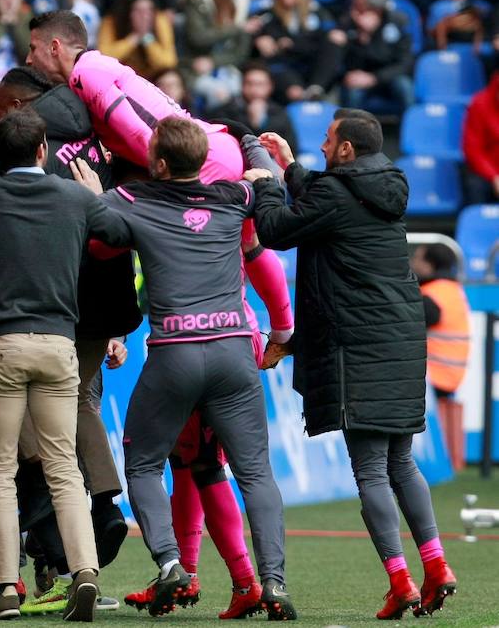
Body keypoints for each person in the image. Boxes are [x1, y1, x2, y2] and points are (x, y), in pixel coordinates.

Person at [72, 116, 294, 620]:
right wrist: (250, 144)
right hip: (236, 349)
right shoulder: (234, 197)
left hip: (175, 350)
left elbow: (96, 232)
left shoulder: (135, 203)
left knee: (144, 462)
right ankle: (273, 583)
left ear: (160, 163)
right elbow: (267, 182)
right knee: (255, 472)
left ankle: (171, 564)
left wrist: (90, 192)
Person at [245, 109, 458, 620]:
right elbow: (328, 200)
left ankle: (402, 581)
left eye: (326, 140)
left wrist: (267, 183)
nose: (320, 146)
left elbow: (275, 230)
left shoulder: (337, 194)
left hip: (358, 347)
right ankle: (437, 567)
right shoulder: (384, 184)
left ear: (345, 150)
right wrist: (292, 167)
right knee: (401, 463)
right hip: (400, 341)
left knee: (370, 473)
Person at [25, 11, 294, 366]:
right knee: (246, 245)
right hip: (217, 151)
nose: (29, 59)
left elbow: (143, 137)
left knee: (222, 264)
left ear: (54, 46)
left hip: (202, 162)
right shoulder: (100, 67)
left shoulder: (86, 75)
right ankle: (282, 333)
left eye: (33, 48)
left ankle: (247, 353)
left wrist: (155, 190)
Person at [0, 107, 131, 621]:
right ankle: (85, 574)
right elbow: (119, 234)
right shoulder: (74, 197)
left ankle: (5, 590)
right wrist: (98, 194)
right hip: (58, 345)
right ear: (43, 151)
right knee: (63, 469)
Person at [411, 243, 471, 472]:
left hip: (433, 375)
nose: (413, 263)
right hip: (451, 374)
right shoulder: (452, 290)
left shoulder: (432, 295)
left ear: (430, 265)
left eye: (417, 258)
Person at [320, 0, 414, 113]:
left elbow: (405, 63)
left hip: (388, 75)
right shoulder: (348, 22)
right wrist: (362, 37)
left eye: (369, 8)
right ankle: (353, 132)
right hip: (360, 74)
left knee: (405, 86)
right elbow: (345, 62)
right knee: (353, 91)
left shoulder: (398, 22)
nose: (363, 11)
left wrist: (375, 78)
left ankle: (410, 129)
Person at [177, 0, 257, 111]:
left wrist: (213, 61)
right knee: (217, 92)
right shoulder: (197, 1)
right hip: (193, 69)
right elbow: (198, 38)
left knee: (235, 89)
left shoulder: (240, 4)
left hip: (228, 67)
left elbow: (241, 52)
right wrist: (236, 28)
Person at [252, 0, 333, 103]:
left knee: (333, 43)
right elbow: (252, 26)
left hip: (310, 64)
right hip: (284, 66)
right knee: (285, 79)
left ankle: (316, 88)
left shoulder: (317, 12)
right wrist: (258, 38)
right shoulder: (270, 13)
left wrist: (293, 44)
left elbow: (324, 37)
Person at [98, 0, 177, 82]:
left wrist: (147, 39)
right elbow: (104, 57)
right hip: (120, 78)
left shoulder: (160, 20)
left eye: (149, 10)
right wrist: (133, 38)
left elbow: (168, 62)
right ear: (127, 13)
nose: (145, 16)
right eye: (138, 11)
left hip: (153, 79)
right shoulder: (111, 22)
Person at [218, 61, 298, 150]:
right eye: (249, 83)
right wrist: (252, 123)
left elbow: (291, 148)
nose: (254, 89)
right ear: (242, 85)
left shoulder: (280, 114)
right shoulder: (226, 112)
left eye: (260, 84)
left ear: (270, 86)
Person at [461, 70, 499, 204]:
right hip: (485, 173)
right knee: (474, 185)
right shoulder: (479, 103)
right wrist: (494, 176)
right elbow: (472, 150)